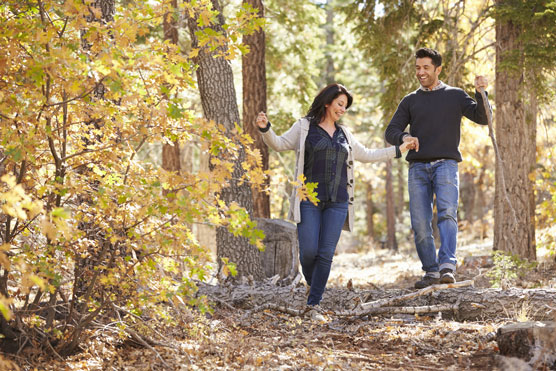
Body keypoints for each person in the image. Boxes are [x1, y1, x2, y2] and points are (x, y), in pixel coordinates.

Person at [255, 83, 416, 311]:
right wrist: (265, 129)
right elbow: (279, 144)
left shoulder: (345, 134)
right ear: (327, 102)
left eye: (346, 106)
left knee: (326, 254)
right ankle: (313, 283)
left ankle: (314, 304)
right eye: (340, 104)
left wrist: (399, 149)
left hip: (339, 202)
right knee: (309, 251)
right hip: (309, 199)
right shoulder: (304, 127)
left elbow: (368, 155)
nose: (343, 109)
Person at [385, 47, 491, 289]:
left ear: (438, 69)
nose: (420, 72)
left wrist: (481, 92)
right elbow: (390, 131)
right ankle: (431, 271)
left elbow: (482, 117)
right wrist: (404, 137)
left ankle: (447, 267)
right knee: (420, 223)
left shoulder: (454, 95)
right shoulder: (410, 100)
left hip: (446, 164)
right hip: (418, 169)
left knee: (446, 213)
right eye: (417, 68)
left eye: (425, 68)